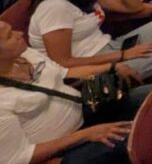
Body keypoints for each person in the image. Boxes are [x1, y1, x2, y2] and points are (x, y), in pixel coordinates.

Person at [0, 18, 140, 164]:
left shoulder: (25, 54)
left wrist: (112, 67)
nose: (20, 33)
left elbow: (64, 72)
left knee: (151, 99)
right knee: (141, 136)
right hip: (66, 147)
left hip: (86, 108)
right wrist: (87, 134)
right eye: (10, 36)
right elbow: (18, 157)